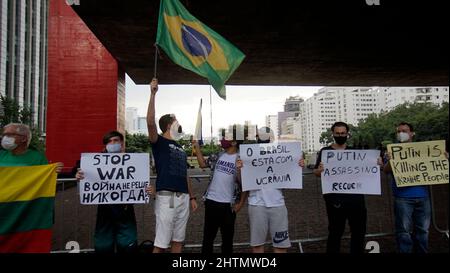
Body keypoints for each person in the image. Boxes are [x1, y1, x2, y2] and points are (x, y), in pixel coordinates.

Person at [147, 78, 198, 253]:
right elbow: (150, 122)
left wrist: (191, 197)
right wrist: (153, 94)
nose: (179, 123)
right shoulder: (158, 142)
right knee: (161, 244)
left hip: (183, 198)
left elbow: (184, 174)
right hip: (166, 198)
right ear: (169, 125)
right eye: (176, 121)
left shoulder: (180, 148)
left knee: (178, 241)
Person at [383, 122, 448, 253]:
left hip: (423, 196)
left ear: (412, 133)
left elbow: (437, 167)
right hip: (402, 198)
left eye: (405, 131)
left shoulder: (425, 150)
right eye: (399, 131)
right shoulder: (391, 151)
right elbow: (385, 170)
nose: (401, 133)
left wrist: (444, 158)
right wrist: (390, 160)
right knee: (403, 232)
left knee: (423, 230)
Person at [237, 127, 305, 253]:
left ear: (272, 138)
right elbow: (242, 183)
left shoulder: (281, 153)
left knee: (281, 245)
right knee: (257, 245)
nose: (263, 139)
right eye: (260, 136)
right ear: (256, 138)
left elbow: (291, 177)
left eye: (265, 136)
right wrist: (240, 169)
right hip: (256, 204)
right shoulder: (247, 156)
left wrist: (298, 165)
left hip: (277, 204)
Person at [314, 121, 378, 253]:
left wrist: (376, 162)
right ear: (333, 134)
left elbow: (368, 169)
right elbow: (316, 172)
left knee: (359, 231)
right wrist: (319, 171)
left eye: (343, 133)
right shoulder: (325, 152)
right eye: (337, 133)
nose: (340, 135)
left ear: (347, 134)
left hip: (356, 199)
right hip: (334, 199)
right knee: (335, 231)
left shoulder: (355, 152)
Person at [75, 131, 138, 253]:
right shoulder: (95, 162)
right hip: (105, 211)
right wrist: (78, 175)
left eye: (115, 140)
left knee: (128, 245)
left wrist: (146, 190)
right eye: (109, 141)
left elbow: (139, 184)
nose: (112, 143)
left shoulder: (132, 162)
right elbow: (78, 168)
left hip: (125, 211)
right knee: (103, 246)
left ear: (122, 144)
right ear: (105, 146)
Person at [192, 128, 245, 254]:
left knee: (227, 241)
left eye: (226, 137)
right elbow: (203, 164)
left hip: (229, 206)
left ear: (234, 142)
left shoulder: (242, 159)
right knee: (207, 239)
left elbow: (245, 185)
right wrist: (197, 147)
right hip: (211, 202)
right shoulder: (218, 155)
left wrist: (240, 204)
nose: (223, 139)